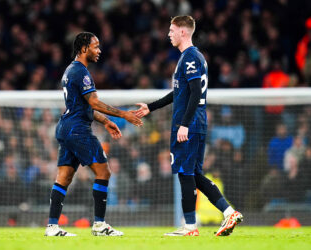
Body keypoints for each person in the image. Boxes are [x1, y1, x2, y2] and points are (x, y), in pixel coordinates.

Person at [135, 15, 242, 236]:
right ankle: (229, 212)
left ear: (183, 32)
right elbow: (180, 92)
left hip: (189, 124)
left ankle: (190, 226)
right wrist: (151, 107)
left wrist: (184, 124)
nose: (168, 34)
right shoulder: (193, 57)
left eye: (172, 30)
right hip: (196, 123)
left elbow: (194, 93)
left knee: (185, 173)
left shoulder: (190, 57)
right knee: (194, 174)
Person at [45, 32, 143, 237]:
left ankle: (52, 227)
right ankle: (99, 225)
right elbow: (94, 102)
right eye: (95, 46)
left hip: (66, 127)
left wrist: (106, 121)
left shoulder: (70, 70)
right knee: (104, 172)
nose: (99, 51)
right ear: (83, 48)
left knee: (64, 177)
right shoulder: (81, 72)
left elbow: (83, 107)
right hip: (77, 130)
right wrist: (123, 115)